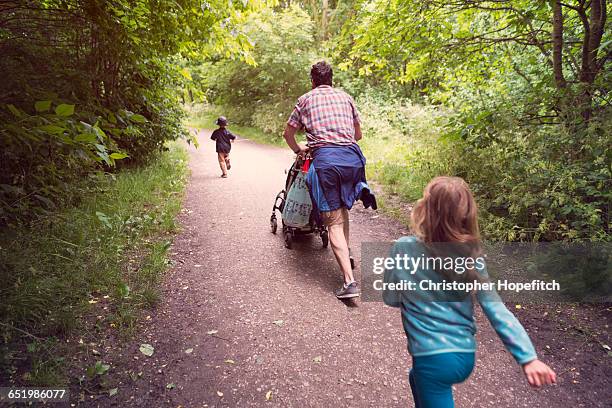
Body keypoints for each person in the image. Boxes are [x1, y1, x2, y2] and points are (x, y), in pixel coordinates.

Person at [383, 176, 556, 408]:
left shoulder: (403, 248)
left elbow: (390, 297)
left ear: (424, 210)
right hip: (464, 355)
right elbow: (496, 309)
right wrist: (528, 358)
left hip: (432, 359)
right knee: (416, 378)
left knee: (427, 380)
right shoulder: (471, 259)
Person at [283, 61, 376, 299]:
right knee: (342, 211)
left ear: (312, 81)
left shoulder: (305, 100)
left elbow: (288, 133)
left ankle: (349, 282)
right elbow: (358, 135)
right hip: (354, 160)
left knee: (333, 220)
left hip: (326, 162)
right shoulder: (346, 98)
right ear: (332, 79)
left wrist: (298, 149)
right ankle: (346, 252)